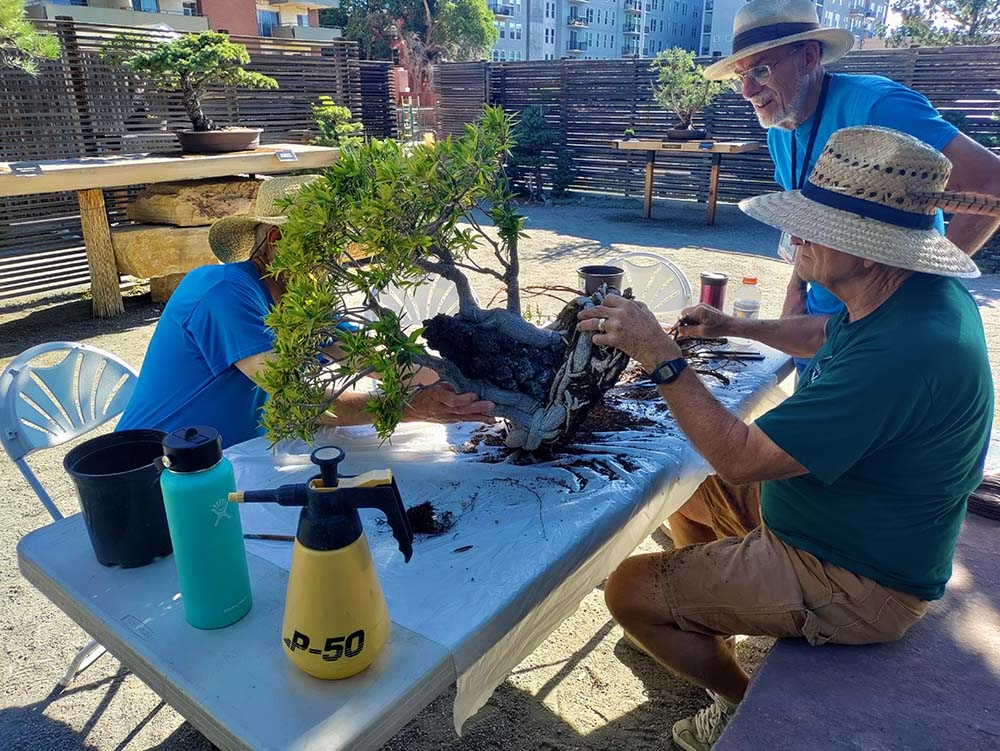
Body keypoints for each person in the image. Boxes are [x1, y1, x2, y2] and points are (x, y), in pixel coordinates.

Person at [578, 126, 996, 751]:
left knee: (629, 590)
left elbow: (741, 459)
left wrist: (662, 356)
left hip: (859, 578)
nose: (798, 235)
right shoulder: (911, 295)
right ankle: (713, 610)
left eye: (817, 225)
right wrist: (731, 324)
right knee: (687, 484)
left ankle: (746, 706)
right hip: (844, 517)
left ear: (872, 249)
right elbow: (828, 335)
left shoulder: (907, 350)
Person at [117, 175, 494, 449]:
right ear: (278, 240)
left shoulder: (304, 301)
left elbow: (373, 358)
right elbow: (297, 399)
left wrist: (466, 385)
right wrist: (412, 407)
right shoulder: (223, 291)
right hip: (157, 473)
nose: (337, 259)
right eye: (325, 247)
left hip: (235, 461)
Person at [702, 0, 1000, 329]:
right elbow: (804, 227)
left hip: (890, 329)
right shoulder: (779, 131)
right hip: (820, 326)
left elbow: (992, 183)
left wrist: (920, 291)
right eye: (741, 76)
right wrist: (795, 292)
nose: (747, 90)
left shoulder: (879, 106)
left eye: (760, 70)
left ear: (810, 57)